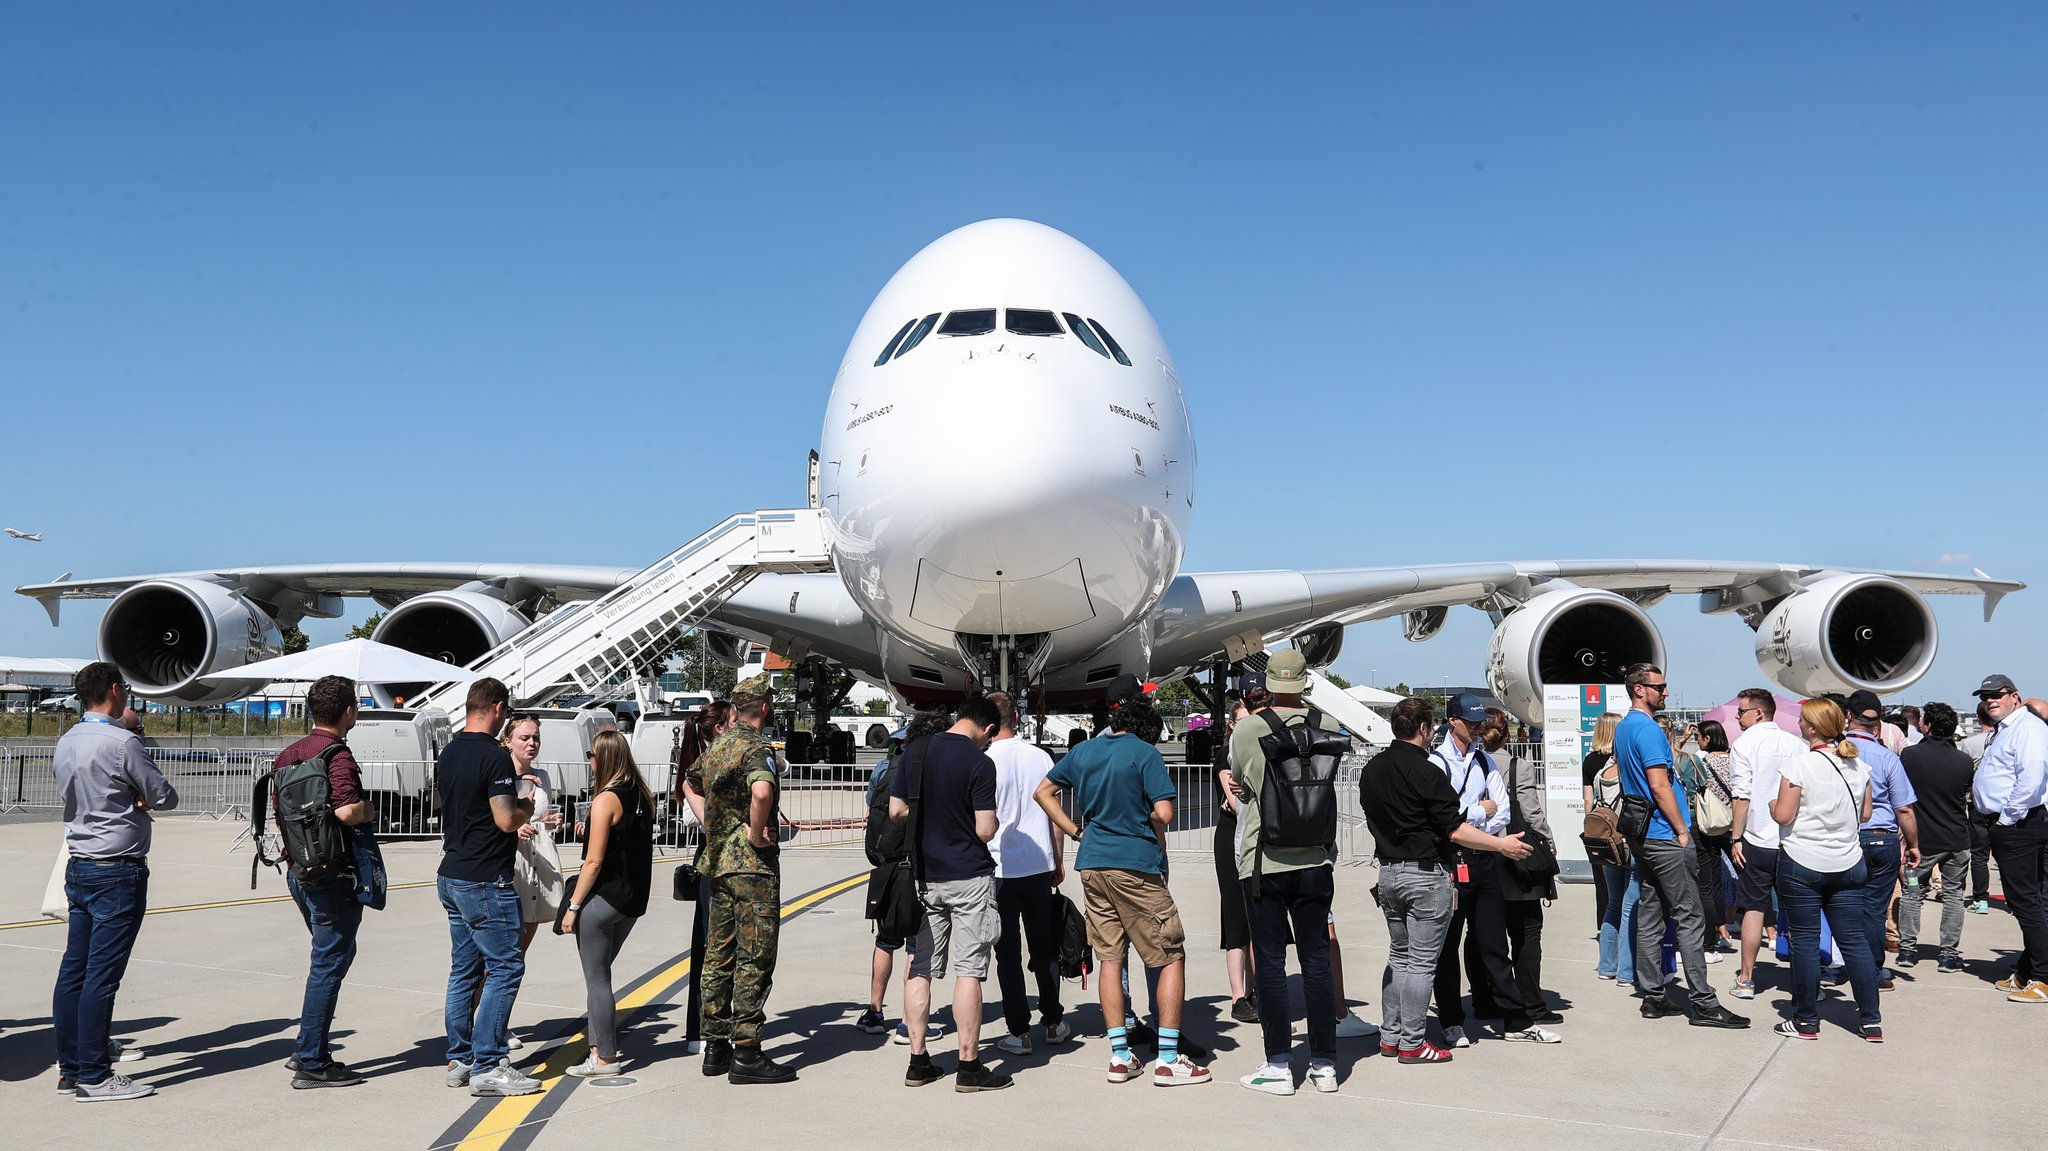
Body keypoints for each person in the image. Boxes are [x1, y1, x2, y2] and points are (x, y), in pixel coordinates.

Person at [1036, 696, 1211, 1086]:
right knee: (1168, 955)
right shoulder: (1145, 754)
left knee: (1110, 958)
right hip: (1135, 865)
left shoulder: (1083, 751)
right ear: (1148, 728)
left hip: (1093, 861)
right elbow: (1164, 813)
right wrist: (1139, 806)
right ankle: (1167, 1058)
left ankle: (1120, 1054)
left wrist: (1075, 830)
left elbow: (1043, 793)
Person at [1359, 696, 1535, 1065]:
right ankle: (1412, 1042)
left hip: (1388, 872)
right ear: (1424, 729)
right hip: (1424, 874)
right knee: (1423, 963)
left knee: (1399, 958)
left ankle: (1391, 1037)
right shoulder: (1428, 770)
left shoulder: (1372, 768)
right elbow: (1454, 830)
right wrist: (1501, 845)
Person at [51, 662, 179, 1101]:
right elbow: (164, 795)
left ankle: (70, 1068)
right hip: (116, 868)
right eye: (123, 687)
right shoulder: (123, 741)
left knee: (75, 970)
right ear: (111, 691)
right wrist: (139, 798)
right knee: (101, 977)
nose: (126, 693)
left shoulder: (67, 740)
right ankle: (94, 1074)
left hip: (81, 861)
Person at [1228, 650, 1347, 1095]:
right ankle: (1324, 1065)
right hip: (1316, 860)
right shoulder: (1328, 726)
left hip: (1264, 861)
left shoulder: (1249, 728)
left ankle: (1279, 1064)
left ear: (1268, 684)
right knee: (1316, 960)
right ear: (1304, 682)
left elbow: (1240, 782)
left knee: (1272, 964)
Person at [1612, 664, 1748, 1029]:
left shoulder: (1624, 728)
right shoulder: (1648, 730)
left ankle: (1654, 996)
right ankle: (1703, 1003)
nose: (1666, 693)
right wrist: (1681, 829)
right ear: (1639, 689)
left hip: (1643, 836)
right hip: (1663, 834)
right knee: (1690, 916)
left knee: (1651, 912)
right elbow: (1658, 785)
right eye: (1660, 687)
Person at [888, 697, 1011, 1091]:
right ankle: (969, 1065)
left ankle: (918, 1060)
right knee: (969, 970)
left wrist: (928, 811)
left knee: (920, 965)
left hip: (924, 877)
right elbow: (986, 830)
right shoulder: (980, 763)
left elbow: (895, 810)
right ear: (988, 729)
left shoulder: (917, 751)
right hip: (969, 876)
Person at [435, 677, 540, 1096]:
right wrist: (526, 805)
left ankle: (459, 1057)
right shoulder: (494, 758)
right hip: (484, 878)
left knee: (464, 968)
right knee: (505, 966)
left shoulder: (450, 752)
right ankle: (489, 1063)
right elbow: (505, 819)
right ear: (497, 707)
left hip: (452, 872)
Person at [691, 675, 797, 1082]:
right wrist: (753, 833)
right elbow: (762, 793)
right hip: (753, 866)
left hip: (719, 863)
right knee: (755, 956)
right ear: (765, 708)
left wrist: (713, 826)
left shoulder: (718, 746)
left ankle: (715, 1046)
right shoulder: (756, 747)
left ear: (735, 708)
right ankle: (747, 1052)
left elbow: (689, 781)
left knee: (718, 953)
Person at [274, 675, 377, 1089]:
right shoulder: (338, 754)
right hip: (333, 872)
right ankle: (312, 1060)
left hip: (299, 868)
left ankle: (308, 1043)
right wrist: (369, 809)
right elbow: (348, 811)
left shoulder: (289, 754)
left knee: (334, 954)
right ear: (349, 711)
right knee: (328, 964)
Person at [1429, 693, 1548, 1045]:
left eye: (1481, 723)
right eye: (1472, 722)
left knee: (1494, 943)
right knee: (1447, 946)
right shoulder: (1437, 764)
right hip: (1451, 862)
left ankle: (1515, 1020)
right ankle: (1452, 1021)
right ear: (1453, 721)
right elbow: (1445, 818)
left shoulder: (1485, 762)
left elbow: (1505, 812)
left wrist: (1472, 813)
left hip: (1484, 860)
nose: (1479, 729)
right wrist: (1480, 811)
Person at [1770, 698, 1883, 1040]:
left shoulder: (1799, 765)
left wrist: (1772, 803)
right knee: (1854, 940)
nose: (1799, 725)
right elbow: (1865, 815)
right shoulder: (1858, 766)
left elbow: (1783, 816)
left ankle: (1806, 1020)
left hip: (1803, 860)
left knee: (1805, 941)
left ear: (1813, 728)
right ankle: (1871, 1020)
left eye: (1803, 720)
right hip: (1847, 862)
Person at [560, 729, 655, 1076]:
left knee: (597, 980)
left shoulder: (605, 800)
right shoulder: (642, 795)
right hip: (631, 900)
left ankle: (605, 1058)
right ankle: (598, 1047)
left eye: (591, 754)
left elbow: (594, 862)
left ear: (603, 758)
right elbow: (625, 841)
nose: (589, 760)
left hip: (602, 899)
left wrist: (573, 906)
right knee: (600, 974)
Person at [855, 709, 949, 1044]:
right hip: (916, 865)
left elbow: (871, 811)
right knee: (917, 945)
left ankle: (874, 1011)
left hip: (885, 865)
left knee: (885, 940)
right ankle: (910, 1023)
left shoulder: (885, 767)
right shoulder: (929, 768)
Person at [986, 691, 1070, 1056]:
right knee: (1044, 947)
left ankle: (1018, 1030)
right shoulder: (1041, 757)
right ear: (1017, 719)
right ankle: (1052, 1020)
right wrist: (1057, 858)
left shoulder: (984, 759)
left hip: (999, 867)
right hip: (1037, 865)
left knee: (1008, 954)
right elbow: (1054, 813)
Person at [1970, 674, 2048, 1002]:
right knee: (2031, 901)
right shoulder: (2008, 730)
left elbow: (2031, 777)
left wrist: (2005, 819)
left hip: (2019, 825)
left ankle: (2042, 978)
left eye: (1997, 695)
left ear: (2014, 696)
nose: (1990, 700)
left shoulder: (2027, 728)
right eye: (1985, 696)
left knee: (2026, 902)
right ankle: (2027, 972)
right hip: (2013, 824)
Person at [1726, 688, 1805, 1001]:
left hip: (1758, 837)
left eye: (1741, 711)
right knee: (1799, 911)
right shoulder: (1797, 743)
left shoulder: (1744, 744)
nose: (1737, 716)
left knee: (1754, 907)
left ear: (1758, 713)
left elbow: (1741, 796)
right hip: (1793, 838)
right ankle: (1806, 981)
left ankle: (1746, 978)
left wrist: (1736, 837)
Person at [1842, 690, 1920, 990]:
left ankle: (1840, 965)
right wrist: (1912, 844)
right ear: (1878, 725)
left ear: (1849, 716)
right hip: (1881, 839)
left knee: (1841, 905)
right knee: (1875, 910)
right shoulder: (1887, 757)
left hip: (1843, 838)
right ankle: (1872, 971)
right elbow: (1904, 808)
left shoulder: (1834, 753)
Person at [1486, 710, 1560, 1026]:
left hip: (1483, 854)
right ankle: (1532, 1002)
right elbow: (1531, 813)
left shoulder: (1474, 765)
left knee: (1484, 934)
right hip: (1517, 855)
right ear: (1506, 735)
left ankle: (1485, 999)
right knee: (1527, 932)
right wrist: (1549, 841)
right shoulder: (1520, 766)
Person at [498, 714, 565, 1048]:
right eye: (524, 737)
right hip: (510, 865)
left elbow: (537, 817)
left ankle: (500, 1020)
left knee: (519, 953)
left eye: (536, 737)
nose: (531, 743)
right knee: (503, 952)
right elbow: (497, 818)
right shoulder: (501, 773)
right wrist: (515, 826)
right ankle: (483, 1021)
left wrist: (547, 822)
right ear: (508, 740)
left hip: (536, 866)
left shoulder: (542, 776)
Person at [1897, 702, 1974, 973]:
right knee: (1954, 895)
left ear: (1926, 726)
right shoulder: (1963, 761)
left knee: (1913, 893)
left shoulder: (1909, 755)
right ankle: (1948, 953)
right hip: (1956, 837)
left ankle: (1907, 949)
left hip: (1921, 839)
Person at [677, 700, 734, 1054]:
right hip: (714, 855)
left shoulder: (735, 757)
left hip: (723, 854)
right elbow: (690, 815)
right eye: (732, 721)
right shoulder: (702, 768)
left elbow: (783, 765)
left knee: (720, 946)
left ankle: (715, 1025)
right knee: (709, 945)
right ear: (720, 729)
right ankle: (701, 1028)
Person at [1214, 690, 1257, 1024]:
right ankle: (1238, 995)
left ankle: (1259, 989)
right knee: (1234, 915)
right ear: (1231, 724)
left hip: (1255, 838)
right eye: (1241, 721)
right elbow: (1232, 796)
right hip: (1231, 836)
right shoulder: (1225, 755)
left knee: (1258, 915)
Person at [1685, 719, 1738, 956]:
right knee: (1751, 879)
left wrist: (1682, 740)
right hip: (1733, 825)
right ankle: (1769, 930)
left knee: (1708, 884)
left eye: (1699, 737)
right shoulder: (1735, 758)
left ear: (1706, 738)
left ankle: (1714, 938)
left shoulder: (1699, 760)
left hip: (1707, 825)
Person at [1583, 713, 1620, 940]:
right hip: (1620, 825)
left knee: (1602, 882)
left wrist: (1592, 822)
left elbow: (1588, 799)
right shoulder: (1620, 758)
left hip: (1599, 825)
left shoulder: (1589, 760)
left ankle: (1606, 927)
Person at [1959, 701, 1996, 914]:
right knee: (2007, 853)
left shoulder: (1969, 743)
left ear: (1978, 718)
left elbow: (1965, 775)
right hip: (2002, 805)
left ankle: (1981, 898)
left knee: (1980, 854)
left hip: (1976, 804)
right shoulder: (2003, 740)